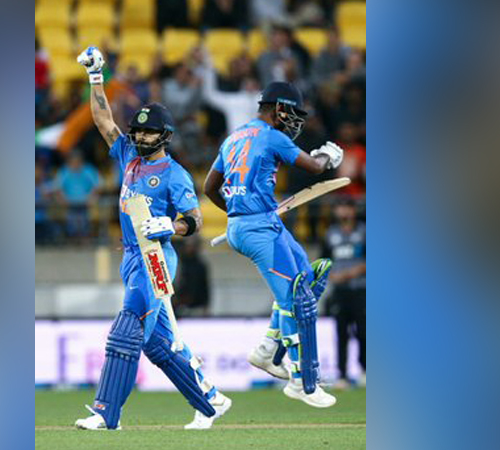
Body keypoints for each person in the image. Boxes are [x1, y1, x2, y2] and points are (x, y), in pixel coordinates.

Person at [74, 46, 231, 431]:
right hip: (131, 257)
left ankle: (106, 413)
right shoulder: (128, 155)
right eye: (138, 130)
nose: (141, 136)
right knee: (157, 344)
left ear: (165, 135)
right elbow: (102, 119)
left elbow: (193, 220)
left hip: (157, 258)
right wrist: (97, 76)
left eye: (148, 131)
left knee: (127, 328)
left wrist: (169, 227)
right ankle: (210, 402)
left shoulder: (175, 174)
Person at [203, 81, 343, 407]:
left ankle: (267, 351)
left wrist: (237, 213)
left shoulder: (234, 137)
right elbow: (314, 167)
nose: (295, 121)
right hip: (259, 227)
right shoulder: (271, 135)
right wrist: (328, 154)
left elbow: (211, 187)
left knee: (306, 280)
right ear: (278, 108)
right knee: (298, 300)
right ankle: (302, 381)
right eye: (292, 113)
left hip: (260, 222)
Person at [322, 197, 366, 388]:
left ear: (354, 210)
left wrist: (351, 273)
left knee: (364, 332)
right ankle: (342, 375)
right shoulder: (330, 234)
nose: (344, 212)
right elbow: (324, 261)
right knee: (341, 333)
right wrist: (331, 276)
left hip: (361, 289)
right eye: (340, 207)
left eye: (347, 206)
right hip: (339, 291)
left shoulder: (364, 231)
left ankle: (365, 371)